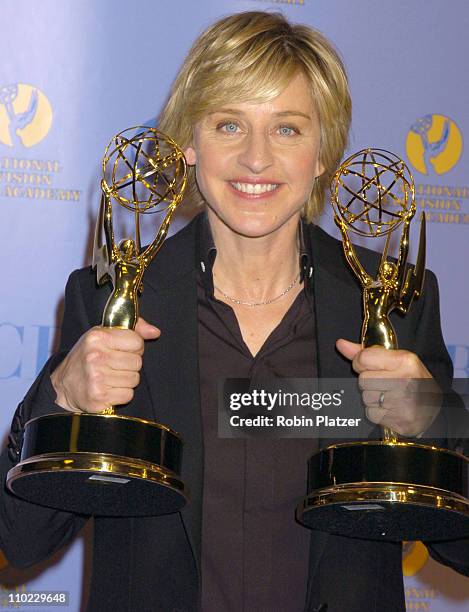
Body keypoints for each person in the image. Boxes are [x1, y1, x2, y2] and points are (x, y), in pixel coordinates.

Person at [1, 11, 468, 612]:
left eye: (288, 130)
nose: (255, 159)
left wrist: (432, 420)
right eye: (229, 125)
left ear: (323, 151)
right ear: (189, 145)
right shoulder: (111, 297)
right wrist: (61, 396)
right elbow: (22, 538)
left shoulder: (394, 299)